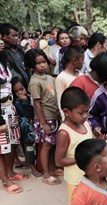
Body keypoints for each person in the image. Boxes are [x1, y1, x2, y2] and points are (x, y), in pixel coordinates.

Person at [24, 48, 61, 185]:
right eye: (39, 63)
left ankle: (52, 168)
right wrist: (43, 123)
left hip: (53, 116)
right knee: (46, 146)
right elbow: (37, 104)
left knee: (52, 145)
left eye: (44, 61)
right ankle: (46, 174)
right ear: (32, 65)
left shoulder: (49, 78)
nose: (43, 65)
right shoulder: (34, 82)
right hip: (44, 118)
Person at [0, 39, 29, 194]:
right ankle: (5, 179)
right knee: (1, 146)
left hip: (9, 109)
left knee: (11, 142)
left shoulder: (5, 61)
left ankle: (10, 172)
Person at [11, 77, 43, 178]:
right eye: (16, 91)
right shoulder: (17, 102)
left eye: (22, 89)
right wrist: (25, 102)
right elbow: (26, 114)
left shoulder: (32, 97)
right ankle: (33, 168)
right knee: (29, 147)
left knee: (35, 148)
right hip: (26, 129)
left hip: (35, 125)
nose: (20, 92)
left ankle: (36, 164)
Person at [55, 45, 84, 119]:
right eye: (82, 60)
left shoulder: (82, 75)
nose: (83, 63)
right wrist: (65, 119)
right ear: (74, 61)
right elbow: (60, 101)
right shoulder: (61, 78)